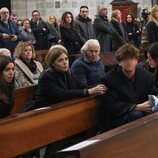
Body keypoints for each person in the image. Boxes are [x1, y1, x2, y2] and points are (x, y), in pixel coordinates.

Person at [100, 43, 157, 132]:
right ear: (119, 62)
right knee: (136, 115)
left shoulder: (147, 76)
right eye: (125, 59)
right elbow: (113, 105)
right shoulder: (109, 79)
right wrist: (136, 107)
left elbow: (153, 94)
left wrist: (151, 103)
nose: (129, 62)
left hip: (144, 113)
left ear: (136, 60)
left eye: (131, 58)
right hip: (120, 117)